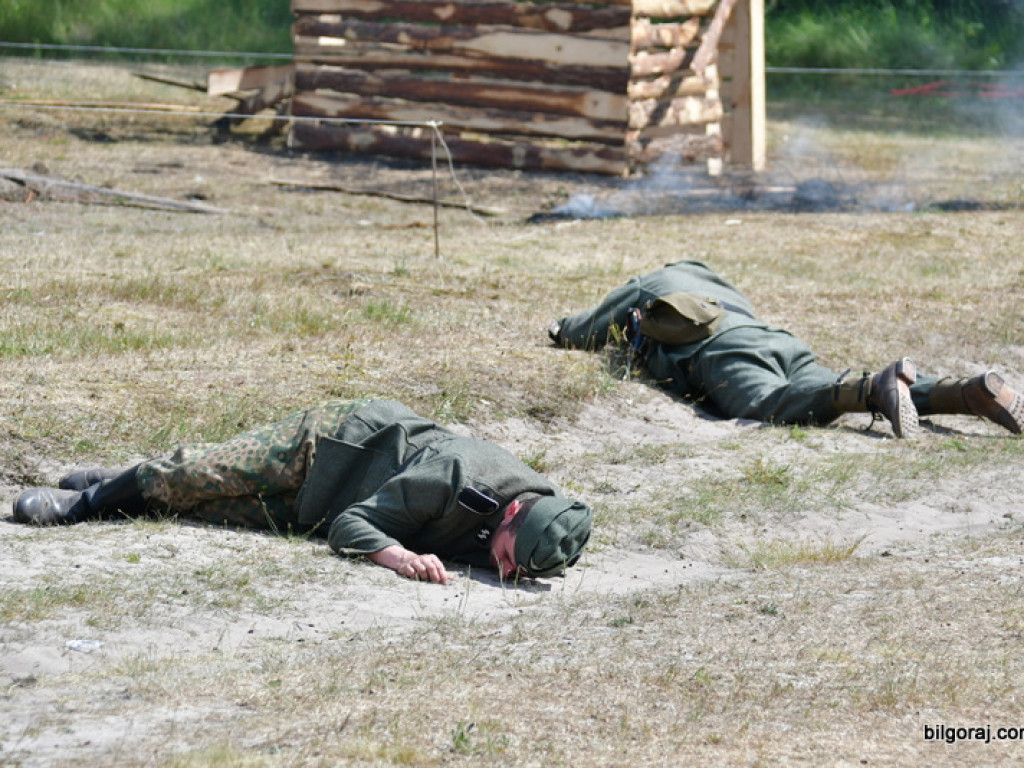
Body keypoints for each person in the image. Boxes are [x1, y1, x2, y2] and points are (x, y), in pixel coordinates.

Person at [10, 398, 593, 584]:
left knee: (210, 512)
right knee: (202, 474)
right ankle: (83, 504)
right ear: (512, 510)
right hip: (334, 445)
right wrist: (397, 556)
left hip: (335, 500)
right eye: (510, 560)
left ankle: (114, 485)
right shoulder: (463, 479)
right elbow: (353, 528)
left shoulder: (534, 522)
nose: (505, 572)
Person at [549, 260, 1023, 438]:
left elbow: (583, 330)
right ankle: (961, 393)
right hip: (774, 338)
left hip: (723, 354)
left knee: (770, 404)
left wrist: (559, 327)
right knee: (821, 384)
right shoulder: (707, 277)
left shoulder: (646, 288)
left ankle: (870, 390)